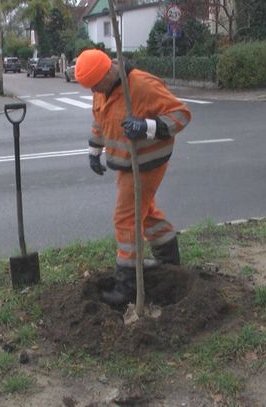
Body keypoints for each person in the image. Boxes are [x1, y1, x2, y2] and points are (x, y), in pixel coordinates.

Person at [75, 49, 191, 306]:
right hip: (127, 163)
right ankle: (169, 260)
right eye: (90, 87)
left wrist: (147, 127)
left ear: (108, 71)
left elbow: (181, 114)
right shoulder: (101, 90)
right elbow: (100, 120)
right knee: (144, 210)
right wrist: (95, 150)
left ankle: (126, 285)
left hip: (147, 162)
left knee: (125, 218)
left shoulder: (140, 85)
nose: (94, 90)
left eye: (96, 84)